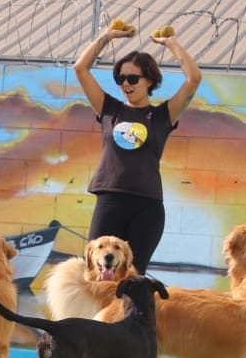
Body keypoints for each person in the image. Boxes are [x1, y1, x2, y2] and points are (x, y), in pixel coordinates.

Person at [72, 23, 202, 275]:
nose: (125, 84)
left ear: (150, 80)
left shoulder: (162, 115)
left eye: (132, 78)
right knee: (98, 273)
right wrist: (106, 37)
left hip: (147, 206)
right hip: (110, 199)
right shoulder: (110, 109)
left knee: (132, 276)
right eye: (121, 79)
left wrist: (172, 44)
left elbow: (193, 78)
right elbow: (80, 69)